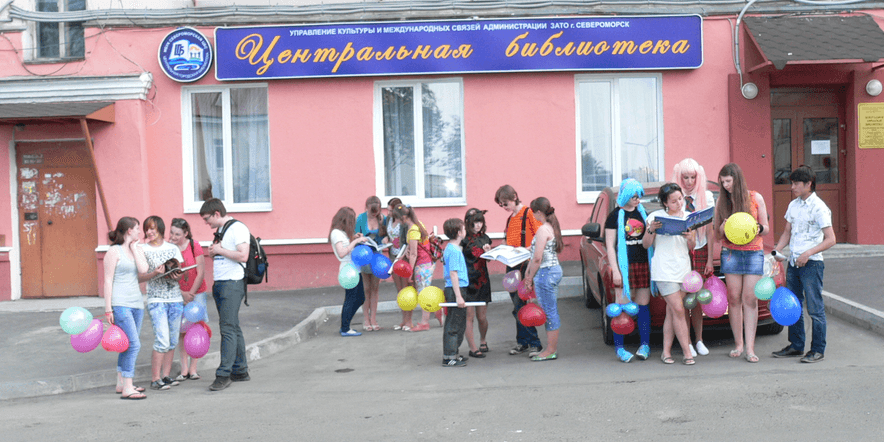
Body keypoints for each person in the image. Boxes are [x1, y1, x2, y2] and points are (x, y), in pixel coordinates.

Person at [772, 166, 836, 363]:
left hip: (812, 265)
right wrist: (777, 250)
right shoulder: (794, 205)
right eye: (792, 183)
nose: (792, 187)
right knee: (794, 305)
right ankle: (796, 345)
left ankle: (817, 350)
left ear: (809, 184)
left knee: (815, 309)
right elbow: (787, 232)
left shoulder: (819, 207)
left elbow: (831, 239)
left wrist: (808, 253)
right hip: (793, 263)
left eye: (796, 184)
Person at [713, 163, 769, 363]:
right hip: (731, 253)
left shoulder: (755, 198)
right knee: (734, 298)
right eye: (723, 182)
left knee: (750, 299)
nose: (725, 185)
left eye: (728, 181)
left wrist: (757, 227)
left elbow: (766, 228)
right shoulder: (722, 201)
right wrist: (722, 227)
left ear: (737, 179)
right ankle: (738, 344)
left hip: (753, 252)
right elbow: (717, 235)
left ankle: (750, 348)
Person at [200, 198, 251, 391]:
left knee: (227, 328)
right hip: (222, 283)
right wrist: (215, 252)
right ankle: (240, 370)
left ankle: (223, 375)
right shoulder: (223, 230)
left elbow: (243, 255)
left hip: (232, 283)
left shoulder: (237, 228)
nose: (206, 223)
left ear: (216, 213)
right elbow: (226, 254)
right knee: (233, 327)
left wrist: (220, 249)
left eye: (207, 219)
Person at [644, 183, 697, 365]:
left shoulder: (688, 217)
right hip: (663, 270)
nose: (679, 203)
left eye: (680, 199)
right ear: (665, 203)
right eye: (674, 201)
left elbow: (692, 246)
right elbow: (646, 244)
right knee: (679, 310)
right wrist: (651, 230)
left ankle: (666, 352)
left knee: (672, 311)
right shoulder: (655, 217)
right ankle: (687, 353)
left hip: (683, 269)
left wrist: (690, 238)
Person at [604, 178, 652, 363]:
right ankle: (620, 348)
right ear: (625, 196)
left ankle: (645, 345)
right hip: (624, 268)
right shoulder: (614, 216)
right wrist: (616, 271)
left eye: (639, 196)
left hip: (643, 264)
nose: (638, 200)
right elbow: (610, 246)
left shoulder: (643, 213)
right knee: (621, 308)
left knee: (643, 306)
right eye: (634, 197)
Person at [672, 158, 715, 357]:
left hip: (700, 249)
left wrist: (709, 260)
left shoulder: (706, 196)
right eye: (685, 177)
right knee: (682, 299)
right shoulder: (675, 197)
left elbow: (710, 232)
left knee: (697, 298)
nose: (689, 182)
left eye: (692, 177)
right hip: (680, 251)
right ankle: (686, 342)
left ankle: (699, 340)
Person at [104, 216, 150, 399]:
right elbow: (108, 280)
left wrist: (134, 247)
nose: (140, 231)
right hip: (120, 303)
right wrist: (108, 308)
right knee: (134, 344)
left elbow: (143, 270)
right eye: (137, 228)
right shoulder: (114, 251)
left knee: (126, 345)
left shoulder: (136, 249)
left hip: (137, 303)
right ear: (129, 230)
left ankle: (121, 383)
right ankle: (128, 387)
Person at [494, 184, 543, 356]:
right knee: (517, 305)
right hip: (512, 264)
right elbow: (507, 241)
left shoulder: (528, 213)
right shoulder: (510, 219)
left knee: (522, 304)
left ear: (514, 197)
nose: (504, 207)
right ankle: (522, 341)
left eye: (505, 203)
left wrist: (526, 249)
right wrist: (494, 250)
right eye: (501, 205)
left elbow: (540, 238)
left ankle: (534, 343)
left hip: (525, 264)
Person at [141, 216, 185, 391]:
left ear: (160, 228)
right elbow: (139, 276)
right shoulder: (142, 249)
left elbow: (181, 274)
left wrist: (176, 275)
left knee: (172, 340)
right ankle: (155, 379)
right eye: (146, 229)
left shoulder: (173, 248)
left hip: (175, 299)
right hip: (156, 299)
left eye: (152, 228)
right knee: (162, 339)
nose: (149, 232)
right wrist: (154, 273)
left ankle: (166, 376)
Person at [522, 197, 564, 361]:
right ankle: (550, 348)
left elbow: (537, 258)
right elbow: (537, 254)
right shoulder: (551, 227)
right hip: (553, 270)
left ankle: (550, 350)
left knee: (549, 312)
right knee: (550, 310)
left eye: (533, 213)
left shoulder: (542, 230)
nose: (533, 216)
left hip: (546, 273)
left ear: (539, 212)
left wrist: (529, 277)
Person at [391, 204, 442, 332]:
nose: (397, 222)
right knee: (423, 291)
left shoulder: (413, 230)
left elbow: (413, 254)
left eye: (397, 219)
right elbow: (410, 246)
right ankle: (437, 311)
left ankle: (425, 323)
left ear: (403, 218)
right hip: (427, 263)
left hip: (422, 264)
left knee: (423, 293)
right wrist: (402, 256)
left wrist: (409, 273)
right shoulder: (418, 224)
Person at [169, 218, 208, 381]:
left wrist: (191, 294)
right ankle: (184, 369)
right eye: (171, 233)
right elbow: (168, 276)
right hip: (178, 294)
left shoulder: (194, 245)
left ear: (186, 233)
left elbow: (201, 272)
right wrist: (182, 294)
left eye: (177, 234)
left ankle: (193, 369)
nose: (173, 237)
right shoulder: (169, 248)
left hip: (197, 293)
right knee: (182, 331)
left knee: (196, 328)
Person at [330, 207, 371, 338]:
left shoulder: (342, 232)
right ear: (345, 220)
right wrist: (355, 241)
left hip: (354, 269)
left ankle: (345, 325)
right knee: (351, 299)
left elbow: (346, 244)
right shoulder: (336, 233)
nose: (353, 222)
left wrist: (354, 237)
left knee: (360, 298)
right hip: (348, 270)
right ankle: (345, 328)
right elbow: (342, 253)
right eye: (352, 219)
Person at [462, 208, 492, 357]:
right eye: (475, 222)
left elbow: (488, 260)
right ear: (468, 223)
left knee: (482, 317)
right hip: (467, 280)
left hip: (482, 280)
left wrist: (488, 253)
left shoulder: (486, 238)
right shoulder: (463, 239)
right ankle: (473, 348)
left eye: (480, 222)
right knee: (469, 316)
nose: (478, 225)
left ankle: (483, 340)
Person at [355, 196, 387, 332]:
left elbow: (387, 234)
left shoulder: (383, 218)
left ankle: (373, 318)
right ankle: (366, 319)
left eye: (376, 212)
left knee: (375, 288)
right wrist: (359, 237)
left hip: (377, 255)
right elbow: (354, 235)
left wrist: (386, 238)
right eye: (371, 212)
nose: (374, 214)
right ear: (366, 207)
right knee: (366, 288)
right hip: (363, 255)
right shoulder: (361, 218)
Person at [441, 218, 469, 367]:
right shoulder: (453, 250)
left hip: (458, 288)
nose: (465, 231)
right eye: (464, 229)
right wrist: (458, 296)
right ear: (459, 232)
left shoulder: (454, 248)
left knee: (459, 323)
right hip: (455, 289)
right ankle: (449, 356)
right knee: (453, 324)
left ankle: (454, 353)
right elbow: (453, 274)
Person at [384, 197, 412, 331]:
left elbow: (408, 240)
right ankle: (403, 320)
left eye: (390, 211)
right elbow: (385, 232)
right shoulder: (388, 220)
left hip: (403, 257)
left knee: (406, 289)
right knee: (399, 290)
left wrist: (403, 253)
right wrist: (385, 238)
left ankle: (409, 321)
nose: (388, 213)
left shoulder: (403, 222)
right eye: (388, 210)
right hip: (393, 256)